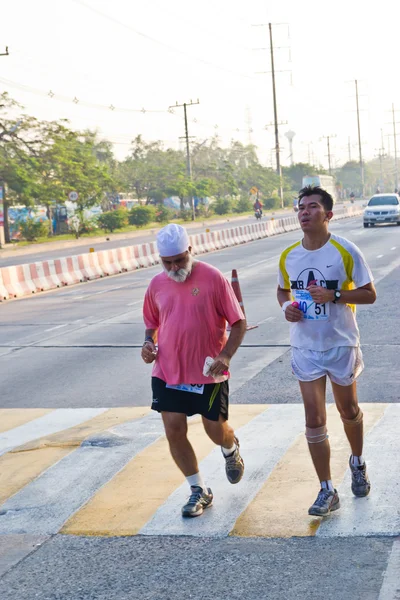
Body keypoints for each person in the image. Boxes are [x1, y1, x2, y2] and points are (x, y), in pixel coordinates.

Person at [277, 185, 376, 517]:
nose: (304, 211)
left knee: (348, 411)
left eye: (312, 206)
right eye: (300, 207)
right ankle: (326, 489)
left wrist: (334, 297)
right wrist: (287, 307)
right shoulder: (289, 255)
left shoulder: (345, 251)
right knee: (314, 419)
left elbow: (369, 294)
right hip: (305, 345)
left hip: (340, 342)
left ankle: (358, 462)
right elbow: (283, 291)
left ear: (328, 215)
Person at [142, 223, 247, 518]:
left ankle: (230, 447)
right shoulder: (156, 285)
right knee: (174, 430)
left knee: (215, 430)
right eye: (168, 262)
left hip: (208, 373)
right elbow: (152, 324)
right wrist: (148, 344)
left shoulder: (213, 278)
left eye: (180, 260)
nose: (175, 267)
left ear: (190, 250)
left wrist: (226, 356)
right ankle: (198, 490)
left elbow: (238, 323)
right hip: (168, 371)